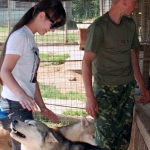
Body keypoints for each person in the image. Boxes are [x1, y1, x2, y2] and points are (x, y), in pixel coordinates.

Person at [82, 0, 150, 149]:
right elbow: (86, 62)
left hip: (126, 90)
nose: (137, 6)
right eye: (135, 2)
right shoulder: (99, 26)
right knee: (106, 143)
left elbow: (132, 56)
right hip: (105, 91)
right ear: (125, 2)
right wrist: (90, 97)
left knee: (123, 141)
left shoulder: (130, 25)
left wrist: (142, 86)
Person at [0, 0, 66, 150]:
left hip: (22, 104)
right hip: (15, 104)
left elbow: (31, 79)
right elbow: (4, 71)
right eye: (54, 24)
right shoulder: (21, 37)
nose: (53, 30)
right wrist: (22, 95)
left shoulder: (30, 39)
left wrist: (43, 107)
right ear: (42, 15)